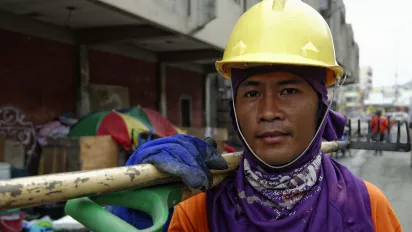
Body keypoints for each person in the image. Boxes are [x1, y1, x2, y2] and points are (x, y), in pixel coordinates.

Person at [110, 0, 401, 231]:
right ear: (234, 109)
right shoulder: (198, 210)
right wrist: (135, 209)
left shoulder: (366, 208)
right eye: (251, 94)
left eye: (288, 91)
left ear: (321, 106)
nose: (269, 112)